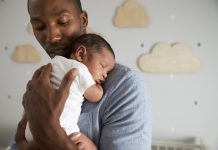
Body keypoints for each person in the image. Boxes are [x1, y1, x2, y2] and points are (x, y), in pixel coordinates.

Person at [10, 0, 152, 149]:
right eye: (39, 27)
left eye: (62, 22)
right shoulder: (43, 78)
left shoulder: (125, 86)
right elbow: (18, 142)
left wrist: (54, 138)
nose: (51, 37)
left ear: (82, 20)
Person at [25, 33, 116, 150]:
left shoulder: (55, 62)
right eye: (102, 66)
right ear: (81, 54)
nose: (105, 75)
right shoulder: (80, 70)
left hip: (32, 128)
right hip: (63, 130)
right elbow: (96, 96)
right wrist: (99, 86)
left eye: (107, 72)